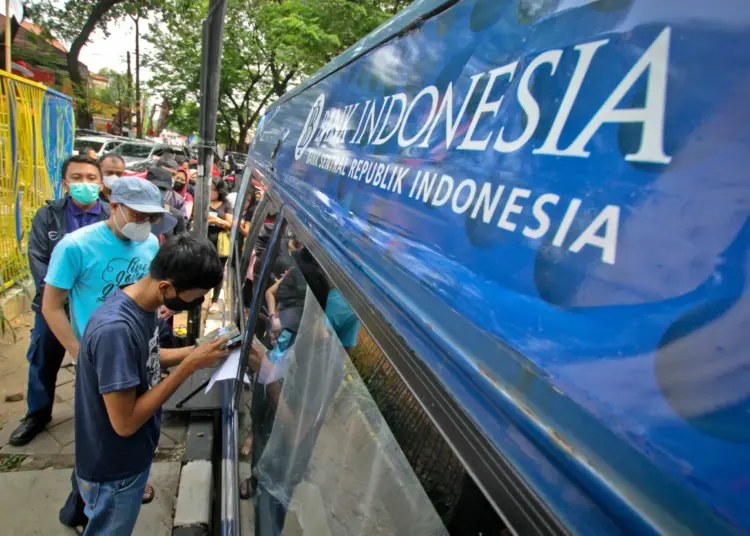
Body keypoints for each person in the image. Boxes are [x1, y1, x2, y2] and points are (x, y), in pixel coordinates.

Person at [74, 236, 233, 536]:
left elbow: (149, 356)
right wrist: (189, 367)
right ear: (166, 288)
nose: (197, 304)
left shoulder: (139, 302)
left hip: (128, 458)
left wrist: (196, 352)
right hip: (113, 468)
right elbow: (125, 423)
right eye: (195, 297)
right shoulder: (116, 332)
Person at [44, 177, 172, 532]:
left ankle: (93, 501)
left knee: (118, 436)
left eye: (151, 217)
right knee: (98, 438)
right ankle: (87, 505)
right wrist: (78, 351)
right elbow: (51, 307)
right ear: (113, 206)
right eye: (137, 214)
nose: (143, 223)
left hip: (136, 351)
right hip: (98, 357)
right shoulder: (76, 247)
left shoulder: (149, 244)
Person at [8, 155, 109, 446]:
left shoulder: (110, 216)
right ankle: (37, 415)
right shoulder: (49, 216)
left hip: (97, 306)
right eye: (77, 178)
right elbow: (39, 259)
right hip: (53, 306)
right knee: (43, 359)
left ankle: (100, 419)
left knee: (100, 361)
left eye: (91, 178)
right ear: (65, 183)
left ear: (100, 183)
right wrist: (57, 296)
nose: (84, 184)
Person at [206, 179, 232, 313]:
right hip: (205, 239)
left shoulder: (226, 205)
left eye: (214, 190)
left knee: (218, 270)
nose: (211, 192)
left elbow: (230, 224)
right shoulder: (204, 201)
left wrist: (216, 220)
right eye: (210, 189)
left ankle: (214, 300)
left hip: (219, 242)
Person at [146, 167, 185, 238]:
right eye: (155, 187)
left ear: (169, 190)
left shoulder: (176, 216)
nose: (158, 192)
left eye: (163, 189)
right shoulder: (134, 212)